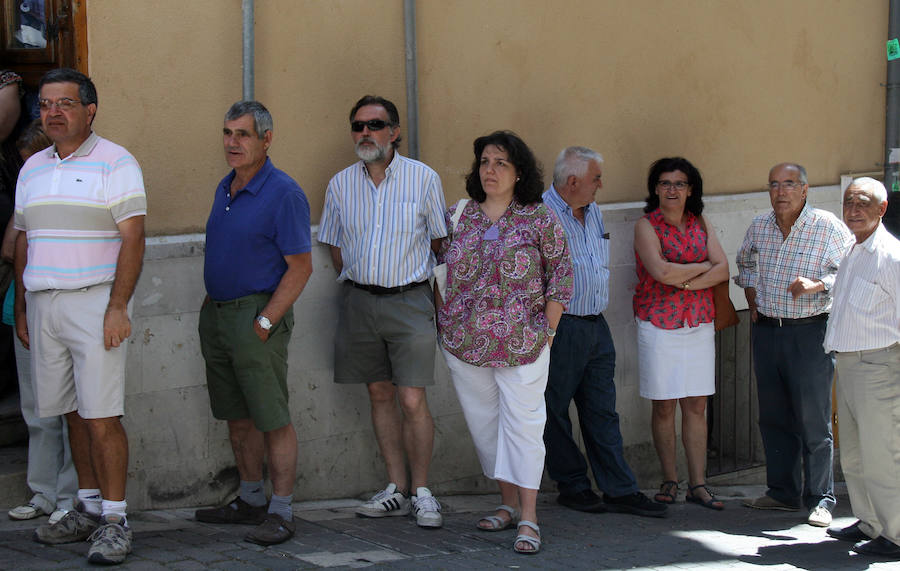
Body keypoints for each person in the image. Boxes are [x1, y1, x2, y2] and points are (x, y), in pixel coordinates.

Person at [13, 68, 146, 565]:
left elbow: (133, 238)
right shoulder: (33, 169)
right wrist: (23, 308)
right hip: (44, 303)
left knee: (102, 414)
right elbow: (25, 238)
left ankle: (115, 520)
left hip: (95, 303)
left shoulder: (117, 163)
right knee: (71, 411)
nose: (53, 112)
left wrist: (117, 307)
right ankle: (86, 508)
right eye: (45, 104)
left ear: (90, 110)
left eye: (64, 103)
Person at [437, 131, 573, 554]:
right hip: (466, 344)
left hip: (524, 345)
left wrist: (547, 333)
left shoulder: (539, 217)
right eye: (484, 162)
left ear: (519, 173)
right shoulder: (457, 217)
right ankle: (508, 504)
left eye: (501, 163)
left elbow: (562, 278)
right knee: (486, 427)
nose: (490, 170)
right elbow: (433, 266)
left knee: (525, 427)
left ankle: (529, 517)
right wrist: (446, 321)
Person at [318, 95, 447, 528]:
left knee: (412, 397)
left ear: (394, 131)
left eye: (375, 125)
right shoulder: (339, 184)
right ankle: (395, 487)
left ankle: (423, 491)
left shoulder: (423, 179)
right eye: (357, 126)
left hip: (410, 300)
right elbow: (334, 244)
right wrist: (360, 280)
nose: (365, 133)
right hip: (360, 300)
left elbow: (439, 243)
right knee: (378, 393)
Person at [194, 101, 312, 546]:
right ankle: (249, 498)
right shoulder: (225, 187)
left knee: (271, 416)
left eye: (242, 134)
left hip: (257, 317)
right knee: (237, 416)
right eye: (227, 133)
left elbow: (300, 267)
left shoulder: (283, 192)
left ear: (266, 139)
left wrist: (265, 320)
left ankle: (281, 511)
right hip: (219, 317)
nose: (232, 142)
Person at [543, 147, 666, 518]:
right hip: (560, 327)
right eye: (596, 178)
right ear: (573, 181)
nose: (601, 185)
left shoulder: (592, 209)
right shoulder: (540, 215)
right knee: (552, 410)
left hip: (597, 325)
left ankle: (619, 489)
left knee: (602, 411)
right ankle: (573, 484)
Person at [736, 162, 853, 527]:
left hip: (810, 332)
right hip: (768, 330)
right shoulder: (760, 226)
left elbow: (849, 272)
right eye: (774, 184)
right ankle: (782, 492)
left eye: (788, 184)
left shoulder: (827, 227)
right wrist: (753, 299)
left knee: (813, 419)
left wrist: (816, 285)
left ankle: (821, 498)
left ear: (805, 189)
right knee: (773, 416)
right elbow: (745, 263)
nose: (780, 191)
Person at [633, 157, 728, 511]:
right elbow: (659, 272)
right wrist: (702, 270)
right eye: (665, 183)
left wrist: (684, 279)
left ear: (691, 189)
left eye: (680, 184)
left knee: (697, 405)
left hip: (698, 323)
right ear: (656, 188)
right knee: (663, 406)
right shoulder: (646, 226)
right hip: (658, 324)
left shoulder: (701, 221)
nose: (672, 190)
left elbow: (724, 269)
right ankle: (670, 479)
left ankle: (698, 484)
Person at [4, 119, 77, 525]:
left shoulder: (79, 189)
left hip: (67, 307)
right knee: (36, 407)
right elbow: (17, 247)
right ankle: (43, 492)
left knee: (70, 408)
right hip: (29, 304)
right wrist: (20, 309)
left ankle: (70, 496)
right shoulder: (29, 183)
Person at [823, 178, 900, 559]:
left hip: (879, 365)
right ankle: (870, 522)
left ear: (881, 209)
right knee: (853, 453)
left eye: (863, 203)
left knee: (882, 453)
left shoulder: (890, 256)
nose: (853, 210)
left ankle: (897, 533)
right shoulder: (854, 251)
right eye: (849, 202)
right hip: (849, 363)